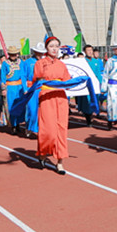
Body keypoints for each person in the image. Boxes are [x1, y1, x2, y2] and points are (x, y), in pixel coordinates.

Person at [34, 36, 71, 173]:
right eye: (51, 46)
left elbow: (67, 81)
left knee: (61, 129)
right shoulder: (40, 63)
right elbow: (37, 81)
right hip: (47, 97)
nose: (54, 49)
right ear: (46, 48)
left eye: (57, 46)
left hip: (61, 98)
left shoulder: (62, 64)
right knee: (48, 130)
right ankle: (43, 153)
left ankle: (60, 161)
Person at [2, 45, 26, 131]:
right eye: (11, 54)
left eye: (15, 54)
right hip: (10, 88)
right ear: (8, 54)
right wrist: (3, 89)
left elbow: (23, 75)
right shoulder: (5, 63)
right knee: (11, 106)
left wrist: (25, 88)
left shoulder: (21, 62)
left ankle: (18, 123)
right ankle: (13, 125)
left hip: (19, 87)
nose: (14, 56)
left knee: (20, 106)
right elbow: (3, 77)